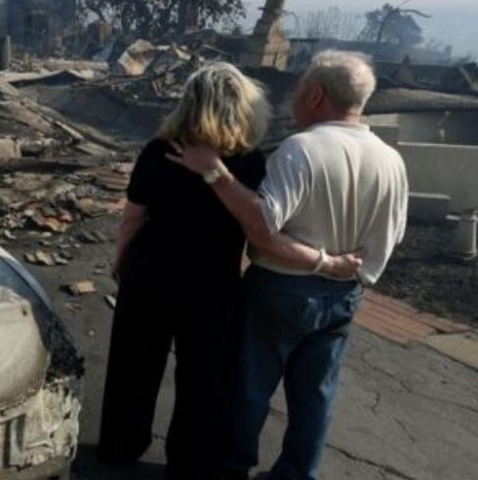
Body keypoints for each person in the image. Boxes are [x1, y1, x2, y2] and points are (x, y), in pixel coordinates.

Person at [98, 62, 359, 480]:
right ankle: (189, 463)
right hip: (212, 282)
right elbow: (261, 224)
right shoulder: (251, 163)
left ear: (188, 102)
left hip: (149, 273)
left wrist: (120, 257)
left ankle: (120, 446)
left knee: (134, 365)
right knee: (203, 379)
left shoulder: (159, 149)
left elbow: (133, 217)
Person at [168, 50, 408, 480]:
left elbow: (263, 227)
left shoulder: (302, 150)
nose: (292, 99)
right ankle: (297, 474)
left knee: (250, 387)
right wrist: (343, 267)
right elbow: (390, 238)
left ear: (315, 95)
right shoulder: (391, 160)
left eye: (299, 90)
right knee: (315, 396)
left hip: (281, 288)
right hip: (345, 294)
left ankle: (232, 468)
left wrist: (215, 173)